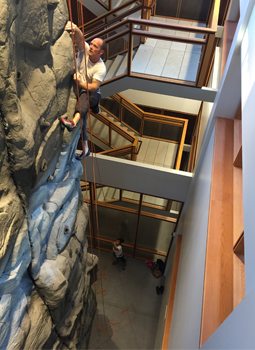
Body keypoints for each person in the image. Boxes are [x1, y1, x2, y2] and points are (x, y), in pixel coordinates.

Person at [60, 21, 107, 159]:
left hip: (91, 92)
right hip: (81, 87)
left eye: (95, 46)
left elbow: (93, 87)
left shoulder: (100, 68)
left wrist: (80, 82)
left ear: (101, 52)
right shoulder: (86, 50)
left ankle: (73, 122)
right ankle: (86, 148)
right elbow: (81, 40)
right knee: (84, 117)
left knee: (86, 97)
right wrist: (76, 29)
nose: (91, 47)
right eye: (91, 44)